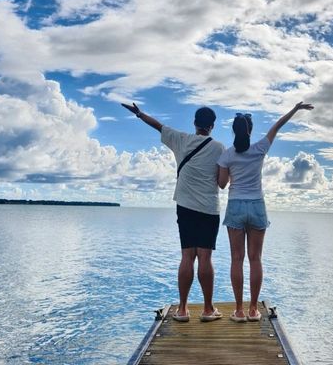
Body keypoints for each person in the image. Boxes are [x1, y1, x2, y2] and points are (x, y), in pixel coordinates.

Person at [121, 101, 226, 322]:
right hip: (208, 208)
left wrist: (139, 113)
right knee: (205, 258)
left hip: (185, 207)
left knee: (187, 256)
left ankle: (182, 310)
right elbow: (220, 180)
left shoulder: (181, 139)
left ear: (195, 123)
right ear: (212, 126)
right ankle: (208, 310)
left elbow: (158, 126)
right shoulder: (218, 148)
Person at [217, 101, 314, 322]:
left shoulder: (227, 155)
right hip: (257, 206)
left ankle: (239, 311)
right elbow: (277, 126)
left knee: (236, 259)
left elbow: (222, 184)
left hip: (236, 206)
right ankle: (253, 310)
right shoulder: (260, 148)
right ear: (250, 130)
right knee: (255, 259)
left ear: (234, 130)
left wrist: (231, 173)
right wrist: (295, 108)